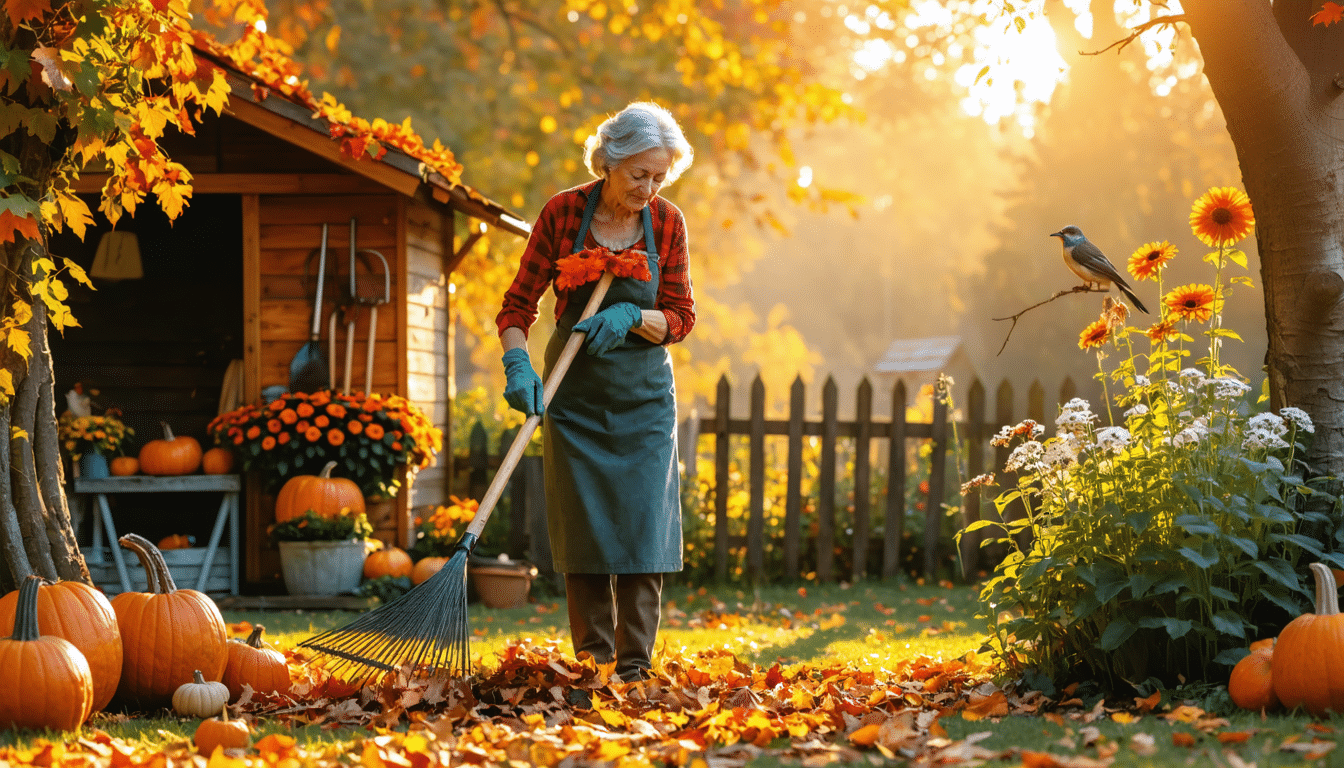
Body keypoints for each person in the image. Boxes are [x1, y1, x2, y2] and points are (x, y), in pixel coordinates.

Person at [495, 102, 695, 682]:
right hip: (574, 393)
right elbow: (517, 306)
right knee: (582, 528)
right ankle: (593, 665)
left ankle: (634, 668)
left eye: (659, 177)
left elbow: (680, 317)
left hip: (643, 397)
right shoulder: (562, 213)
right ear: (609, 161)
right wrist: (517, 364)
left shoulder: (667, 223)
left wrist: (633, 316)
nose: (648, 189)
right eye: (638, 174)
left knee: (643, 526)